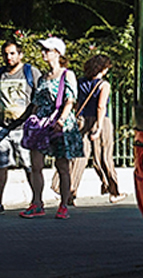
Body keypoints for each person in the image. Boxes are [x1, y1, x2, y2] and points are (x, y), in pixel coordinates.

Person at [13, 37, 84, 220]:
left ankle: (63, 204)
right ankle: (37, 203)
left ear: (58, 53)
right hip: (41, 124)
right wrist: (30, 120)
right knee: (36, 164)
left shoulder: (67, 75)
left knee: (62, 165)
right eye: (43, 49)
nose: (43, 52)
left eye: (47, 50)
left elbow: (70, 100)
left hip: (59, 124)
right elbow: (36, 103)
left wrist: (60, 121)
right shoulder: (43, 77)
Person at [68, 54, 120, 203]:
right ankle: (113, 191)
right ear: (103, 69)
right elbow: (101, 106)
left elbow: (76, 102)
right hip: (100, 121)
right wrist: (98, 127)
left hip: (82, 120)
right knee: (104, 157)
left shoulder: (80, 82)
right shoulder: (104, 85)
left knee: (79, 158)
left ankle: (70, 192)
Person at [0, 37, 36, 213]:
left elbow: (39, 97)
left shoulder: (30, 72)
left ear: (20, 54)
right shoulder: (1, 74)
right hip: (3, 128)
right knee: (1, 166)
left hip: (24, 128)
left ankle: (36, 200)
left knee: (29, 166)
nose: (9, 58)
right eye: (6, 54)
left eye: (13, 54)